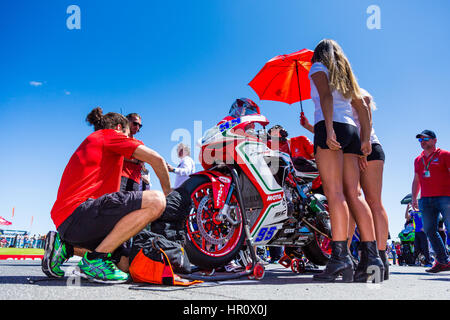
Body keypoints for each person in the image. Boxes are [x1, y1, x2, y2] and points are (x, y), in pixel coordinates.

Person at [42, 107, 171, 284]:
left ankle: (66, 247)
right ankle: (95, 260)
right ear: (119, 128)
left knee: (124, 266)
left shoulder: (96, 143)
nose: (128, 138)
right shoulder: (109, 135)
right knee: (156, 201)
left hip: (72, 222)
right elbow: (157, 160)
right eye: (126, 134)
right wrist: (168, 194)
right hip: (79, 213)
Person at [306, 39, 383, 283]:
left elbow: (326, 99)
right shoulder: (346, 75)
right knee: (355, 194)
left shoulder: (318, 68)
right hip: (351, 130)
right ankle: (372, 259)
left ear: (318, 54)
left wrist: (328, 130)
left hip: (331, 126)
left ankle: (340, 258)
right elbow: (362, 106)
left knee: (335, 193)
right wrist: (364, 142)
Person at [411, 129, 450, 273]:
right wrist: (414, 197)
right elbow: (416, 180)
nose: (422, 142)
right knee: (429, 230)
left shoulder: (445, 155)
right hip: (426, 199)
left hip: (446, 197)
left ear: (434, 140)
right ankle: (443, 262)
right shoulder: (418, 159)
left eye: (425, 139)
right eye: (420, 140)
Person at [121, 113, 144, 192]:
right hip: (120, 177)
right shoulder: (119, 138)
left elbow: (143, 161)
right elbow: (117, 155)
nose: (137, 127)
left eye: (139, 126)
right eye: (135, 123)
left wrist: (127, 157)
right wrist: (136, 160)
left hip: (135, 181)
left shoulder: (140, 143)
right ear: (126, 122)